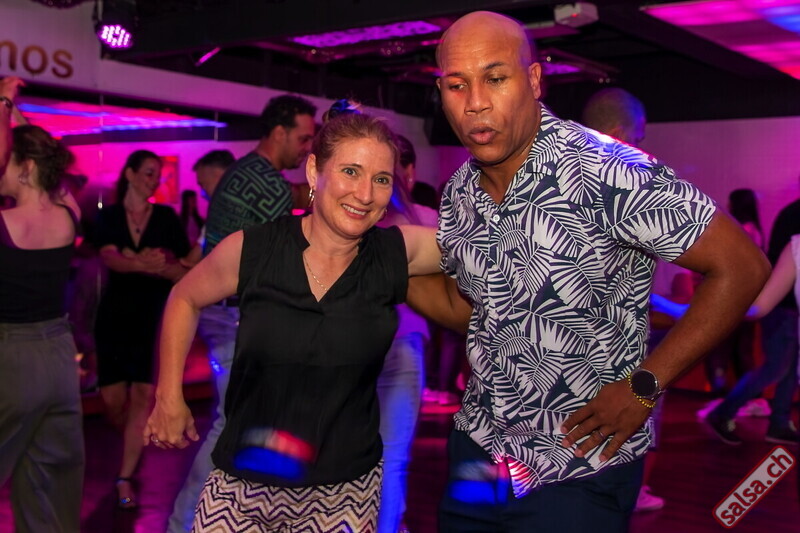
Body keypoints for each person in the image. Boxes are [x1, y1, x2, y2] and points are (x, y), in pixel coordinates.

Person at [407, 11, 769, 531]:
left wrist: (646, 386)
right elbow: (476, 312)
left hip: (577, 462)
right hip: (477, 450)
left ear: (534, 80)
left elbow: (743, 266)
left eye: (496, 78)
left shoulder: (608, 171)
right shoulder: (461, 190)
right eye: (456, 85)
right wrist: (385, 269)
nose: (475, 102)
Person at [145, 113, 442, 531]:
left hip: (344, 494)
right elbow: (184, 296)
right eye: (351, 171)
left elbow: (488, 247)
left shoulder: (395, 252)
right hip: (242, 487)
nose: (365, 193)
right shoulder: (255, 249)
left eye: (381, 179)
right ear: (315, 171)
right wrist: (168, 396)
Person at [166, 95, 316, 533]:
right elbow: (287, 261)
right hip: (236, 319)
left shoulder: (245, 172)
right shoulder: (265, 183)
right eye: (303, 138)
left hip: (227, 315)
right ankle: (184, 523)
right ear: (279, 133)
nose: (306, 147)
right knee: (234, 425)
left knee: (244, 423)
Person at [0, 76, 85, 533]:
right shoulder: (68, 216)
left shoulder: (6, 224)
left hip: (11, 357)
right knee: (49, 482)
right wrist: (15, 113)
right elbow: (52, 170)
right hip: (58, 356)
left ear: (26, 167)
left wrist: (4, 103)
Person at [582, 86, 665, 513]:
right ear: (618, 134)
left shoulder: (551, 181)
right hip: (618, 364)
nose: (643, 146)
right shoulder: (633, 187)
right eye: (639, 136)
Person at [94, 150, 190, 509]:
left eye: (157, 174)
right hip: (114, 318)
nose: (154, 180)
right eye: (149, 173)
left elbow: (183, 259)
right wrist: (142, 263)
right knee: (112, 401)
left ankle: (124, 477)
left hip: (153, 317)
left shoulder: (166, 217)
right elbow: (109, 258)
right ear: (130, 174)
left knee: (141, 398)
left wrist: (162, 263)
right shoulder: (110, 216)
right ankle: (133, 444)